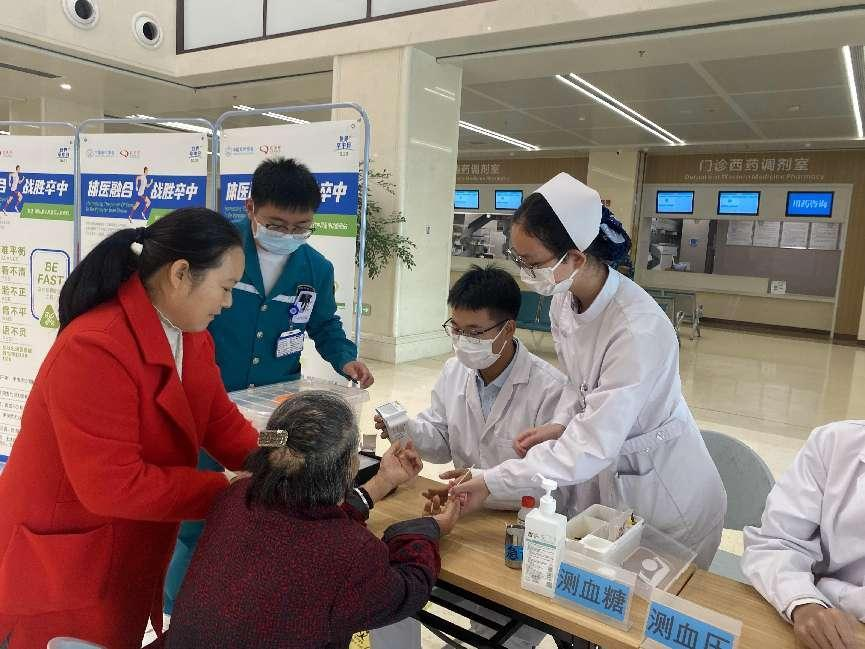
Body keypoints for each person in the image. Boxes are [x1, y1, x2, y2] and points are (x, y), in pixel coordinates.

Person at [0, 209, 259, 649]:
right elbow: (112, 485)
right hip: (66, 565)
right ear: (180, 274)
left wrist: (281, 454)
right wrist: (230, 490)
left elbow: (220, 420)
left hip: (127, 550)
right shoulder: (95, 346)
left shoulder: (189, 333)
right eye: (226, 287)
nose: (229, 302)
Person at [452, 173, 726, 568]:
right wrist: (561, 422)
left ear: (576, 258)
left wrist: (493, 480)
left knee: (653, 595)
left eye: (533, 263)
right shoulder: (564, 301)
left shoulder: (636, 329)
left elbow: (593, 444)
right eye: (518, 259)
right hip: (610, 478)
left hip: (665, 495)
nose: (525, 272)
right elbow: (577, 382)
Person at [163, 157, 374, 614]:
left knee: (263, 504)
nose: (288, 234)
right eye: (277, 224)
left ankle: (237, 609)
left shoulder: (315, 268)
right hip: (207, 408)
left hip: (272, 414)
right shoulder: (218, 254)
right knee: (199, 514)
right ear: (250, 207)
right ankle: (179, 615)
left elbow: (324, 323)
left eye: (301, 227)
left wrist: (346, 357)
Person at [157, 391, 460, 649]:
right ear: (349, 469)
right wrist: (426, 529)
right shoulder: (351, 553)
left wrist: (382, 482)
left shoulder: (237, 496)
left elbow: (312, 522)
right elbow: (406, 591)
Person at [374, 265, 573, 649]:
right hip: (461, 518)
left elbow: (548, 480)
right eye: (456, 328)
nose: (463, 341)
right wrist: (406, 431)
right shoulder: (456, 371)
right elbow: (440, 439)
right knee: (390, 588)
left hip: (521, 530)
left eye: (475, 332)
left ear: (507, 329)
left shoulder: (549, 388)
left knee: (501, 630)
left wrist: (482, 479)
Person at [742, 421, 865, 649]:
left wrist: (824, 591)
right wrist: (803, 601)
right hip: (810, 615)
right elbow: (776, 542)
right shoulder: (834, 443)